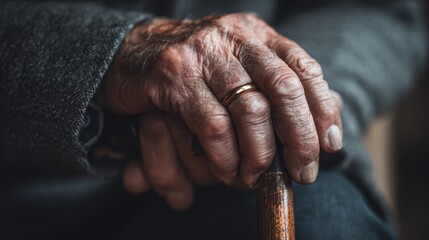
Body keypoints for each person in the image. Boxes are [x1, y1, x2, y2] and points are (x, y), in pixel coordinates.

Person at [0, 0, 426, 239]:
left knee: (331, 228)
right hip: (24, 180)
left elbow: (380, 11)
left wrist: (275, 91)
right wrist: (110, 56)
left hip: (248, 165)